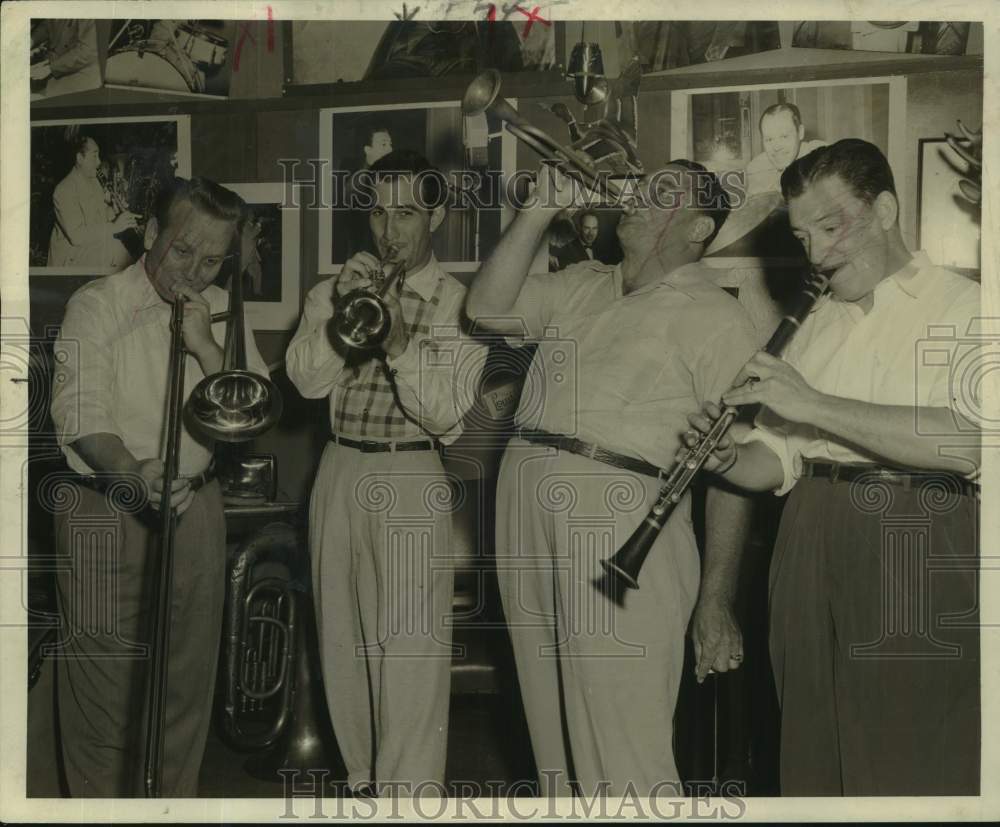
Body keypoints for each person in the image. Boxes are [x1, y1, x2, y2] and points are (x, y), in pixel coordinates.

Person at [683, 139, 980, 795]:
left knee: (915, 751)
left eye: (830, 225)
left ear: (885, 210)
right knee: (810, 746)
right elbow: (782, 459)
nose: (815, 252)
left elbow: (970, 441)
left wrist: (812, 401)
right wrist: (731, 456)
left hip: (917, 534)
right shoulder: (814, 324)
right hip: (808, 534)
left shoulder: (968, 308)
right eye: (800, 234)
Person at [465, 161, 759, 797]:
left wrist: (717, 596)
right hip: (524, 495)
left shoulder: (720, 316)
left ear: (700, 228)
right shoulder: (581, 282)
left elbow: (734, 467)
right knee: (552, 746)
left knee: (623, 747)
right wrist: (539, 210)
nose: (636, 197)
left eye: (661, 193)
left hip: (622, 518)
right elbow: (485, 307)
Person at [49, 177, 270, 796]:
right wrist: (134, 472)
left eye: (211, 260)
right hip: (108, 504)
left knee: (183, 690)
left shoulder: (221, 307)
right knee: (105, 694)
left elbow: (249, 407)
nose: (194, 273)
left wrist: (204, 345)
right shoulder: (96, 304)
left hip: (196, 504)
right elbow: (80, 413)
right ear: (150, 235)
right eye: (181, 252)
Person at [286, 150, 487, 796]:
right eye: (377, 210)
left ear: (437, 213)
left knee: (408, 654)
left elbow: (449, 415)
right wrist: (346, 316)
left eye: (405, 212)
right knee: (341, 647)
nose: (389, 229)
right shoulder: (334, 288)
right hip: (339, 467)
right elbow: (305, 380)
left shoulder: (462, 304)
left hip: (409, 472)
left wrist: (398, 343)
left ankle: (410, 797)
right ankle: (362, 785)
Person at [47, 133, 138, 269]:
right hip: (70, 256)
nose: (99, 162)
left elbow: (99, 217)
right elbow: (77, 237)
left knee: (121, 249)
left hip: (91, 246)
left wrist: (116, 211)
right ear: (79, 158)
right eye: (94, 156)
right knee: (117, 251)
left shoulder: (94, 182)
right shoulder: (63, 190)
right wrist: (115, 226)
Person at [744, 103, 826, 198]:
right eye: (769, 139)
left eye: (784, 136)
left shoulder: (822, 156)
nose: (776, 147)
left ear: (800, 132)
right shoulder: (755, 170)